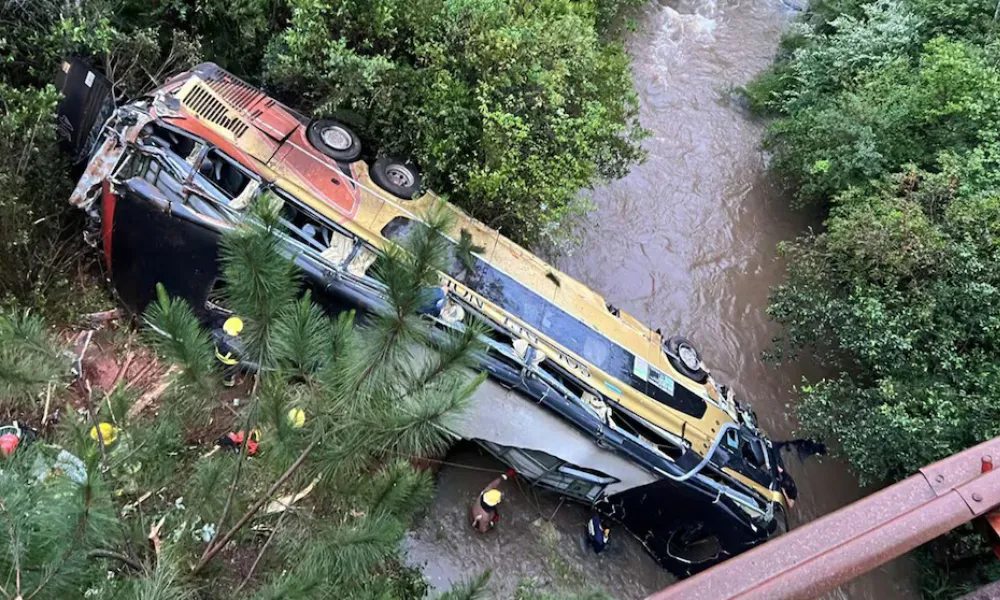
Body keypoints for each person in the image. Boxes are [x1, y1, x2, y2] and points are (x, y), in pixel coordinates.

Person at [214, 316, 245, 387]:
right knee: (229, 374)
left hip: (219, 356)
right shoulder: (236, 345)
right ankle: (228, 384)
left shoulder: (218, 334)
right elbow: (242, 355)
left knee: (220, 366)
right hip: (230, 363)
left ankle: (219, 372)